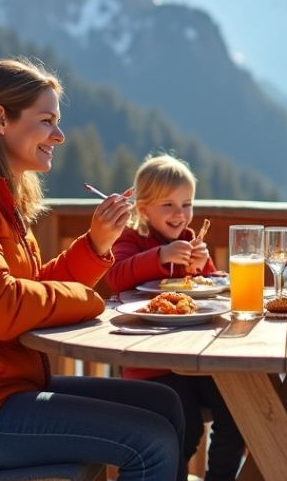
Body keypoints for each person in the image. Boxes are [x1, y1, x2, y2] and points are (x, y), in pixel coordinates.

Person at [0, 58, 184, 480]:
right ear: (0, 120)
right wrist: (87, 301)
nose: (59, 136)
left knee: (163, 403)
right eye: (46, 121)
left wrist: (97, 244)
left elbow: (29, 288)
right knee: (151, 440)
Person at [105, 154, 245, 481]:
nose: (180, 214)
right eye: (168, 205)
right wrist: (159, 256)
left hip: (197, 359)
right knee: (184, 423)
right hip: (151, 364)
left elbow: (212, 290)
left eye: (187, 204)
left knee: (239, 404)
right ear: (143, 209)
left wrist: (202, 268)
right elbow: (117, 277)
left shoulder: (188, 240)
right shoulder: (130, 239)